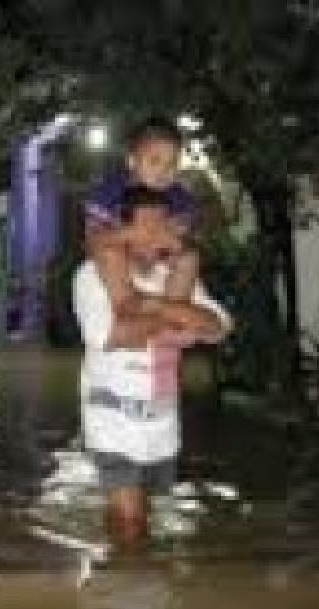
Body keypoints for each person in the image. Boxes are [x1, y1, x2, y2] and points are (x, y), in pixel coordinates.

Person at [73, 187, 232, 551]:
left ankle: (139, 585)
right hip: (110, 424)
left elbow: (217, 327)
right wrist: (177, 318)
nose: (153, 238)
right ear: (123, 231)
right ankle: (119, 589)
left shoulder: (173, 274)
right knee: (130, 525)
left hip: (162, 425)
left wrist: (149, 306)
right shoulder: (92, 274)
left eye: (161, 228)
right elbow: (110, 335)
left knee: (150, 524)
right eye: (143, 229)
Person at [85, 115, 201, 325]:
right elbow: (93, 238)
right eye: (154, 161)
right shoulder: (109, 191)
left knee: (189, 258)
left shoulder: (180, 198)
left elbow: (184, 234)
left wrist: (174, 240)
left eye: (172, 164)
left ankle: (171, 315)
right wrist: (130, 234)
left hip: (158, 255)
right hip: (121, 252)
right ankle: (126, 305)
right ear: (132, 160)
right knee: (108, 252)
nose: (163, 172)